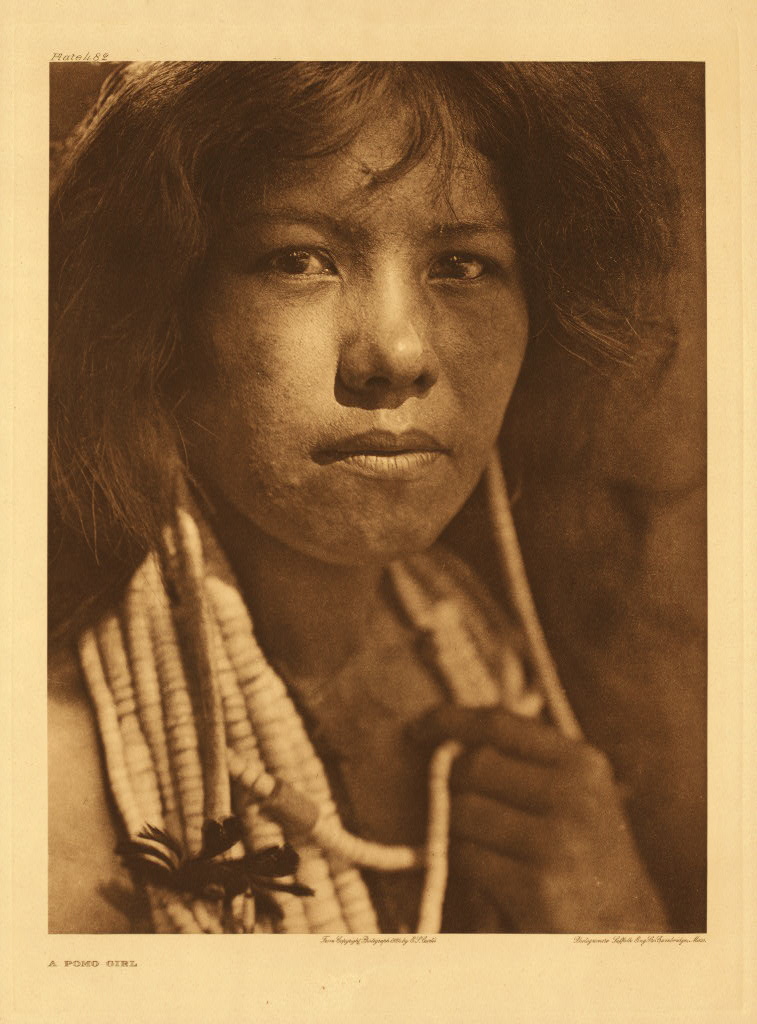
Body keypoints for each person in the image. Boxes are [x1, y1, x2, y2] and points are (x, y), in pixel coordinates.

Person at [48, 61, 705, 934]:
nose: (396, 352)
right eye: (299, 260)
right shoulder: (54, 766)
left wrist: (620, 921)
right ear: (162, 313)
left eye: (463, 265)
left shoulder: (480, 651)